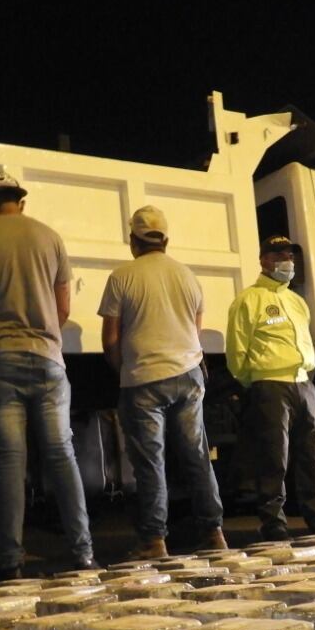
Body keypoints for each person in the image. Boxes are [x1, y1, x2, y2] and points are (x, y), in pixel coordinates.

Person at [0, 172, 97, 580]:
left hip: (0, 362)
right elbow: (62, 308)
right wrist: (42, 336)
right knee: (61, 455)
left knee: (10, 461)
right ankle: (83, 555)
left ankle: (11, 563)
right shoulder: (50, 238)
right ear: (21, 202)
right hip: (48, 359)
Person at [99, 205, 226, 558]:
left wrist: (125, 368)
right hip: (188, 374)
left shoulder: (122, 277)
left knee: (150, 462)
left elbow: (110, 339)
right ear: (165, 240)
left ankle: (154, 541)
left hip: (144, 379)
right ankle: (214, 533)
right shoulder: (188, 276)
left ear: (133, 240)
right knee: (197, 456)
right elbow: (195, 333)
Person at [226, 235, 315, 540]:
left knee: (310, 453)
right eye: (278, 255)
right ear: (263, 260)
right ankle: (273, 521)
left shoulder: (297, 301)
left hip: (304, 384)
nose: (286, 260)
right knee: (274, 456)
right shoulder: (248, 300)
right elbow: (237, 353)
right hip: (270, 386)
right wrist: (256, 382)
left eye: (289, 255)